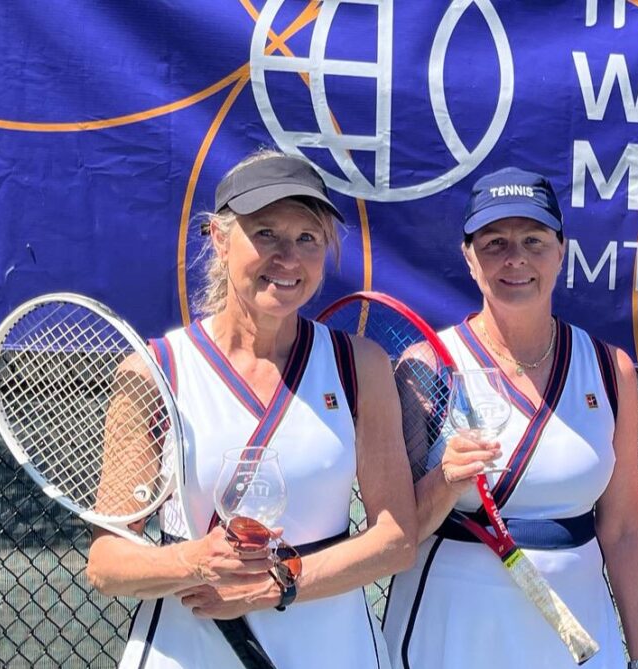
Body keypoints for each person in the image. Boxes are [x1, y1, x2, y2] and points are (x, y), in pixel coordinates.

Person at [86, 151, 417, 668]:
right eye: (265, 233)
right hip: (189, 647)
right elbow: (106, 564)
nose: (288, 257)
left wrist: (279, 585)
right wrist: (192, 560)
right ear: (220, 240)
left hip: (331, 647)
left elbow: (396, 540)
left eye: (307, 238)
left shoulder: (360, 365)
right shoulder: (154, 371)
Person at [381, 168, 638, 669]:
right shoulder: (425, 367)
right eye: (493, 242)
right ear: (468, 258)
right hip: (449, 633)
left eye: (534, 240)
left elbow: (623, 530)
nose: (516, 259)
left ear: (561, 251)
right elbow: (397, 534)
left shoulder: (607, 368)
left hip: (575, 636)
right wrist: (446, 482)